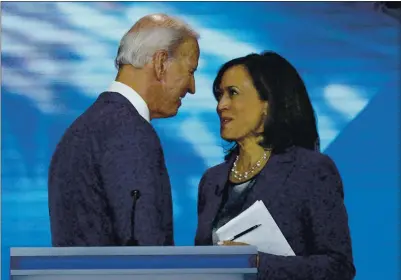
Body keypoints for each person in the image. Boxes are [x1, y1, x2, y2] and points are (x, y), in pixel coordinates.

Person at [195, 52, 356, 279]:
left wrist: (256, 262)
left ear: (267, 103)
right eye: (219, 95)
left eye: (233, 93)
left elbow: (339, 267)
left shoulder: (310, 170)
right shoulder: (212, 180)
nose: (221, 105)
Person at [48, 14, 200, 246]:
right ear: (160, 63)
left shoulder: (80, 130)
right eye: (190, 71)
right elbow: (148, 254)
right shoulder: (130, 134)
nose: (192, 88)